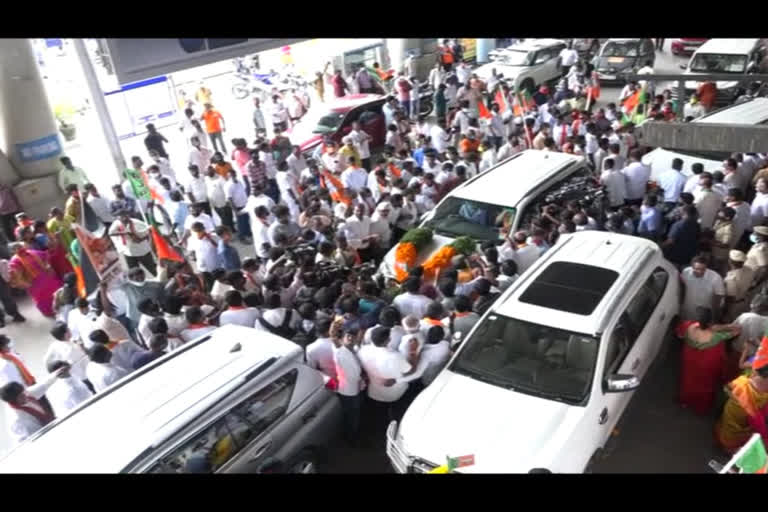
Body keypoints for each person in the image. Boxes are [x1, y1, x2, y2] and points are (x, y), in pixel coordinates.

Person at [677, 307, 740, 416]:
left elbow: (680, 334)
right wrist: (728, 326)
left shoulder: (688, 326)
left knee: (689, 379)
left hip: (690, 360)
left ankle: (686, 401)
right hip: (705, 364)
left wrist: (718, 327)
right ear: (710, 322)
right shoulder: (716, 336)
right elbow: (736, 332)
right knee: (705, 384)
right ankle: (701, 407)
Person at [358, 326, 414, 424]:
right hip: (395, 393)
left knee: (380, 414)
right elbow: (409, 370)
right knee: (395, 412)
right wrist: (412, 352)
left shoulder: (363, 351)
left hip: (374, 392)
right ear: (388, 340)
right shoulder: (395, 356)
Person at [7, 241, 62, 317]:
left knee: (56, 291)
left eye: (19, 246)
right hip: (34, 285)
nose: (19, 248)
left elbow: (45, 255)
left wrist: (48, 266)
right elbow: (14, 276)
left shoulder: (32, 252)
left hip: (46, 277)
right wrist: (23, 283)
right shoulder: (14, 261)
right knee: (44, 299)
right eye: (16, 248)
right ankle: (51, 311)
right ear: (13, 251)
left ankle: (62, 304)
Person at [332, 321, 364, 445]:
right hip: (349, 390)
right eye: (348, 335)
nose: (350, 338)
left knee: (349, 413)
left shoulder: (352, 349)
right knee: (352, 415)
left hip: (346, 388)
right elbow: (355, 376)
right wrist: (362, 377)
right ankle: (351, 437)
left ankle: (349, 433)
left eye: (353, 335)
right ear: (342, 337)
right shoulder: (342, 354)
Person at [680, 255, 726, 322]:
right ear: (692, 266)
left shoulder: (716, 278)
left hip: (704, 315)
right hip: (687, 310)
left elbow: (719, 296)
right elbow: (682, 286)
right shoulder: (686, 272)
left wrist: (715, 315)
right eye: (697, 269)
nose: (700, 271)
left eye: (703, 269)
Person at [724, 250, 755, 324]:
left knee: (731, 323)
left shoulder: (731, 278)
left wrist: (725, 311)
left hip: (734, 306)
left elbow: (730, 298)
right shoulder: (749, 270)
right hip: (745, 301)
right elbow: (752, 284)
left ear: (730, 261)